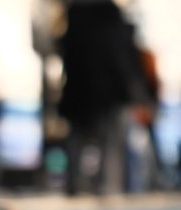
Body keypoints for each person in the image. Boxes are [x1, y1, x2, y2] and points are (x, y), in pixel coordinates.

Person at [58, 0, 151, 196]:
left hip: (80, 89)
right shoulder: (113, 19)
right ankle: (107, 186)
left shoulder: (76, 18)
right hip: (109, 91)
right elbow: (125, 59)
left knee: (79, 140)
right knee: (109, 142)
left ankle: (76, 185)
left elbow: (64, 54)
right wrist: (137, 92)